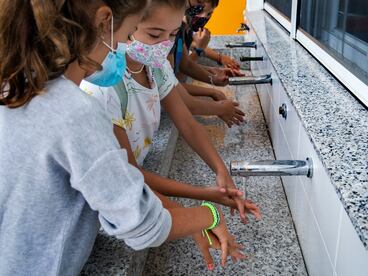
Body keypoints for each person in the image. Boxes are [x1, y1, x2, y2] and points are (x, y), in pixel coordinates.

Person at [0, 1, 242, 274]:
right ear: (105, 21)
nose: (122, 49)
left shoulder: (17, 86)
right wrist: (209, 214)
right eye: (127, 35)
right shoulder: (75, 111)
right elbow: (143, 225)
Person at [81, 0, 260, 223]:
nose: (164, 44)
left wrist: (220, 170)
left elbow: (187, 123)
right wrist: (207, 195)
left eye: (174, 34)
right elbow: (128, 174)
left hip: (137, 181)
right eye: (155, 35)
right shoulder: (105, 86)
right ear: (128, 26)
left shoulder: (154, 65)